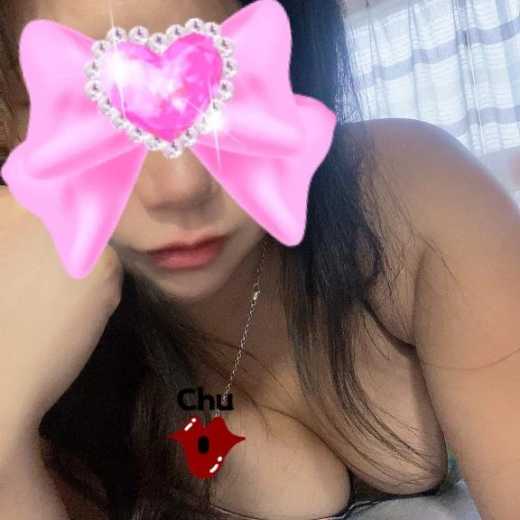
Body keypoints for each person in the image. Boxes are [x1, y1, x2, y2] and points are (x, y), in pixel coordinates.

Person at [0, 0, 519, 519]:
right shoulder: (60, 381)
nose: (181, 185)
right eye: (91, 105)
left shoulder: (408, 197)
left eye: (220, 82)